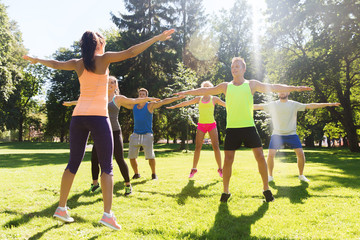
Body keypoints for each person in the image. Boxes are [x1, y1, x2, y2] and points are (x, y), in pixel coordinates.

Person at [23, 29, 174, 230]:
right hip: (98, 117)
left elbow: (56, 64)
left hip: (78, 117)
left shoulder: (78, 63)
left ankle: (61, 208)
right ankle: (107, 215)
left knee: (73, 163)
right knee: (107, 166)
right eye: (103, 42)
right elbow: (130, 52)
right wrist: (156, 38)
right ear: (98, 44)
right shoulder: (103, 59)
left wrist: (36, 59)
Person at [174, 57, 312, 203]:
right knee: (228, 160)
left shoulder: (251, 84)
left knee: (259, 156)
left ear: (244, 69)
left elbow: (273, 86)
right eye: (232, 67)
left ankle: (266, 189)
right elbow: (206, 90)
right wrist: (187, 92)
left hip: (249, 127)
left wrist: (295, 88)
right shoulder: (225, 86)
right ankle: (225, 192)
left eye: (237, 66)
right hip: (232, 129)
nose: (234, 69)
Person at [63, 76, 160, 196]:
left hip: (114, 131)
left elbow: (133, 101)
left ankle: (128, 185)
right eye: (108, 82)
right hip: (100, 132)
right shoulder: (99, 97)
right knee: (94, 159)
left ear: (116, 86)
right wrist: (71, 103)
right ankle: (95, 184)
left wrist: (148, 99)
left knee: (119, 159)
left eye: (113, 82)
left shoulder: (118, 98)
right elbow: (83, 101)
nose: (110, 84)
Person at [254, 92, 340, 182]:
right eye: (280, 90)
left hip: (291, 134)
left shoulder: (294, 104)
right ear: (278, 93)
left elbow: (311, 105)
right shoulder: (273, 104)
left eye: (284, 90)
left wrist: (330, 104)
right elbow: (258, 106)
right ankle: (270, 176)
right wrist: (240, 104)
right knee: (271, 155)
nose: (282, 92)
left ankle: (301, 175)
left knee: (300, 154)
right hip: (277, 134)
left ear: (288, 92)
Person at [166, 81, 226, 178]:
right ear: (201, 89)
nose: (206, 89)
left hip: (211, 125)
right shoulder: (199, 98)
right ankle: (194, 169)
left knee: (216, 146)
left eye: (208, 87)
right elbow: (187, 102)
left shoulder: (214, 99)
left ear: (211, 89)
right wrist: (175, 106)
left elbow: (226, 105)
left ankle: (220, 169)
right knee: (198, 147)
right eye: (204, 87)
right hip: (201, 125)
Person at [122, 88, 184, 180]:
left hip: (147, 134)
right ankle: (136, 174)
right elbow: (122, 102)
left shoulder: (150, 105)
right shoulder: (134, 105)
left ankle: (154, 174)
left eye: (143, 94)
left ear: (146, 96)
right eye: (140, 94)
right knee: (131, 156)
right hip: (135, 134)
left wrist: (177, 98)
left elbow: (163, 102)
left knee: (150, 156)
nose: (141, 96)